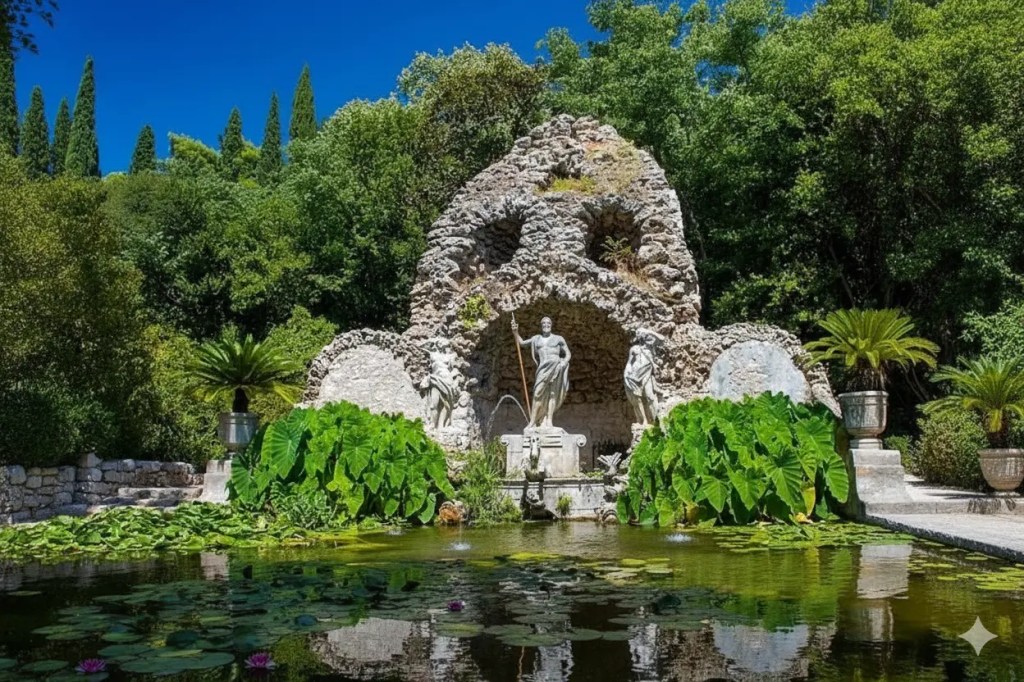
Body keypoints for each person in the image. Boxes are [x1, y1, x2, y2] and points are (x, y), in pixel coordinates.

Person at [511, 316, 571, 428]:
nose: (546, 325)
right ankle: (533, 421)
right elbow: (522, 343)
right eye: (544, 323)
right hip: (543, 369)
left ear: (551, 325)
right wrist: (515, 332)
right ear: (541, 325)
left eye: (548, 323)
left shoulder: (558, 339)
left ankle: (549, 420)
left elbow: (568, 354)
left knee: (552, 394)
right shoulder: (536, 339)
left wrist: (563, 363)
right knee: (537, 393)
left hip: (556, 367)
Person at [624, 329, 661, 426]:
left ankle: (656, 420)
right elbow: (629, 363)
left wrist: (650, 331)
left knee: (650, 396)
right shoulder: (634, 349)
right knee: (638, 399)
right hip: (635, 375)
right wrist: (626, 374)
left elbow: (662, 339)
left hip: (647, 374)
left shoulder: (650, 347)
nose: (640, 336)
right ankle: (643, 421)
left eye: (642, 334)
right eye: (639, 334)